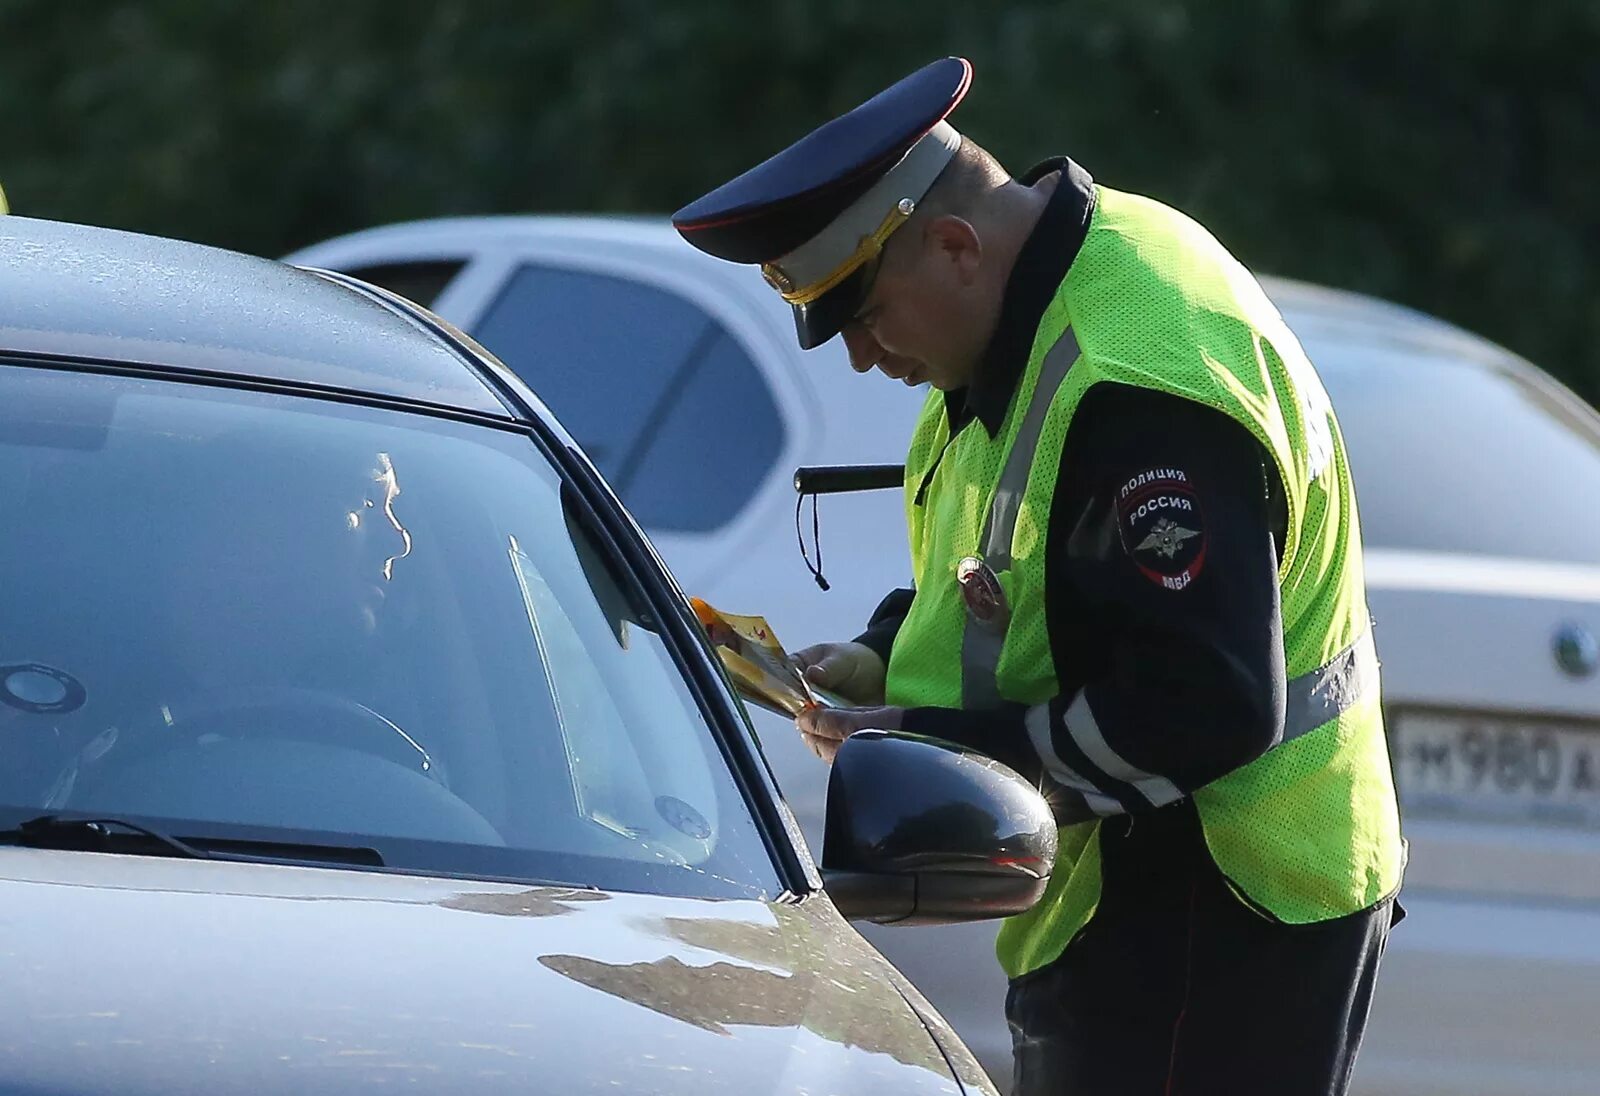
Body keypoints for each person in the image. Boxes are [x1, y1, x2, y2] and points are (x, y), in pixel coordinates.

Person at [672, 56, 1404, 1095]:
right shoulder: (1024, 320)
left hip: (1219, 905)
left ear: (955, 245)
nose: (863, 359)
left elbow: (1204, 702)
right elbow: (1015, 567)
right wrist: (880, 659)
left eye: (867, 317)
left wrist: (928, 747)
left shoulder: (1132, 375)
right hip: (1129, 905)